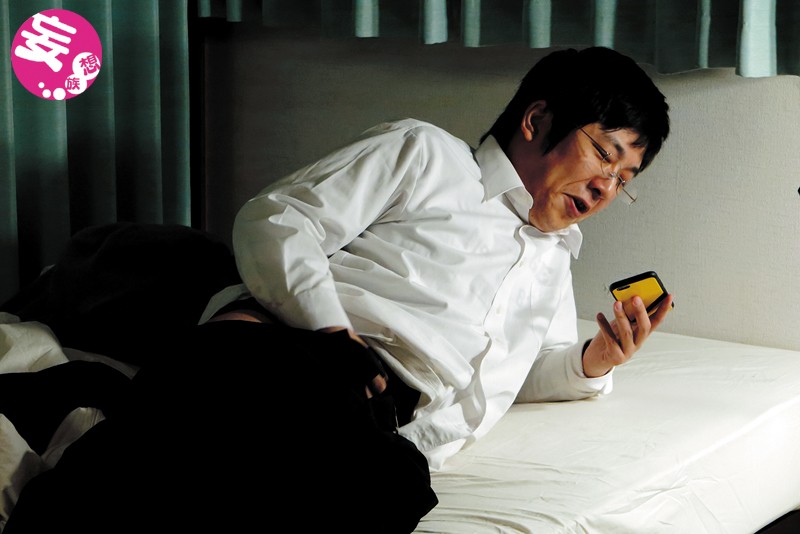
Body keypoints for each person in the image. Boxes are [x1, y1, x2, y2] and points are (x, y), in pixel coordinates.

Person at [0, 46, 672, 533]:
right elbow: (276, 220)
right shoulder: (428, 156)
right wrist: (330, 330)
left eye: (625, 180)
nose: (606, 188)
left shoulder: (554, 258)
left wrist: (593, 362)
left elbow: (518, 372)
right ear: (536, 120)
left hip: (368, 413)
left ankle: (97, 410)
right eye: (603, 155)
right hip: (288, 348)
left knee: (395, 484)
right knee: (195, 462)